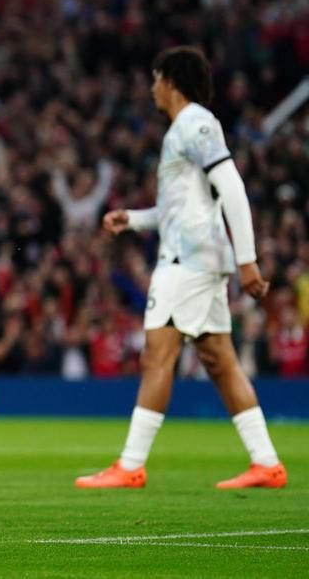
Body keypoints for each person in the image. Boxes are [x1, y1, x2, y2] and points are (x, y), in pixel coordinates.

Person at [76, 46, 287, 490]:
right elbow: (181, 208)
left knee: (158, 355)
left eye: (156, 79)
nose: (152, 88)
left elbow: (232, 185)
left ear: (171, 82)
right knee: (219, 360)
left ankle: (131, 465)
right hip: (201, 260)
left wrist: (248, 260)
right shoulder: (185, 129)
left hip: (186, 264)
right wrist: (133, 220)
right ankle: (267, 463)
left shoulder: (195, 122)